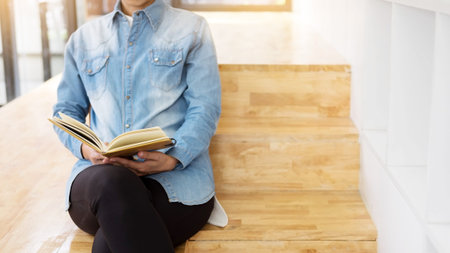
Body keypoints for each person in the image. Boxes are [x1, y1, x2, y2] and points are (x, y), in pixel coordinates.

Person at [52, 0, 221, 251]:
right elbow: (65, 112)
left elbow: (205, 108)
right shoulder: (83, 39)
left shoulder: (193, 29)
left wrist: (173, 157)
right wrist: (88, 150)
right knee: (114, 184)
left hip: (174, 183)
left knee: (109, 242)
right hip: (99, 182)